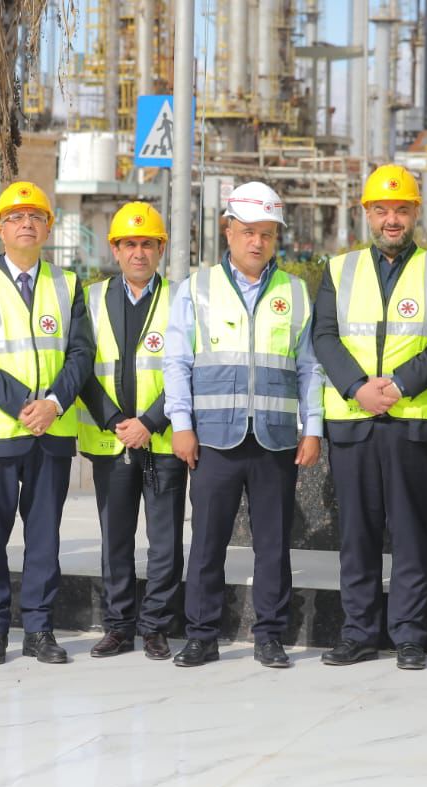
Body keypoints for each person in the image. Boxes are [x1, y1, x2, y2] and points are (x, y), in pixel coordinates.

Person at [162, 180, 323, 668]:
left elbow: (309, 367)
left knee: (273, 546)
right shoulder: (197, 289)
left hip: (275, 440)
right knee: (207, 543)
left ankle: (269, 635)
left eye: (267, 234)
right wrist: (181, 424)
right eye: (249, 232)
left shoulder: (294, 292)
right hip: (214, 439)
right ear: (227, 230)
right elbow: (177, 362)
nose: (257, 242)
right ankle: (201, 635)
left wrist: (312, 428)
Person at [312, 164, 427, 670]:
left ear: (416, 213)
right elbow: (324, 336)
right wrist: (357, 387)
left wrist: (397, 386)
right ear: (367, 214)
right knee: (356, 533)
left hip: (411, 420)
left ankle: (410, 635)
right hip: (352, 420)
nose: (391, 220)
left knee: (411, 533)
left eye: (400, 210)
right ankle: (358, 633)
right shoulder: (339, 269)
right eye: (381, 210)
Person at [0, 181, 93, 665]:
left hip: (51, 434)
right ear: (0, 228)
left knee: (44, 539)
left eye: (36, 217)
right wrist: (23, 404)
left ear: (48, 228)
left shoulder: (68, 284)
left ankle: (39, 629)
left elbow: (81, 353)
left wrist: (53, 404)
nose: (26, 224)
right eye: (15, 217)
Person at [76, 202, 184, 661]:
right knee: (115, 540)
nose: (138, 253)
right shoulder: (90, 299)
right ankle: (118, 625)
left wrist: (150, 422)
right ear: (115, 249)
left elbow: (188, 369)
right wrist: (116, 421)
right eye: (129, 244)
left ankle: (156, 626)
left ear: (161, 249)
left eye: (147, 244)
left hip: (163, 442)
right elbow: (80, 367)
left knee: (165, 542)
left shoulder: (181, 299)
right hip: (111, 441)